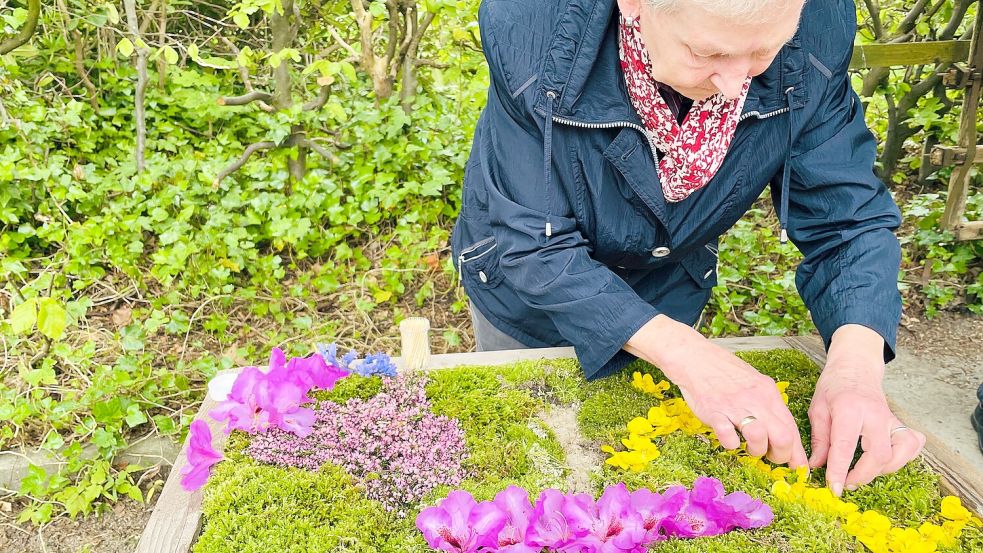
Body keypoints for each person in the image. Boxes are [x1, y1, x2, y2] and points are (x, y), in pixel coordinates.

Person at [451, 0, 927, 496]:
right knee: (531, 456)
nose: (736, 83)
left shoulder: (814, 32)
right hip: (527, 294)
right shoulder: (533, 33)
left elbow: (847, 221)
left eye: (765, 51)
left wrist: (854, 370)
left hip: (670, 282)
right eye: (708, 52)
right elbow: (531, 242)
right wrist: (690, 358)